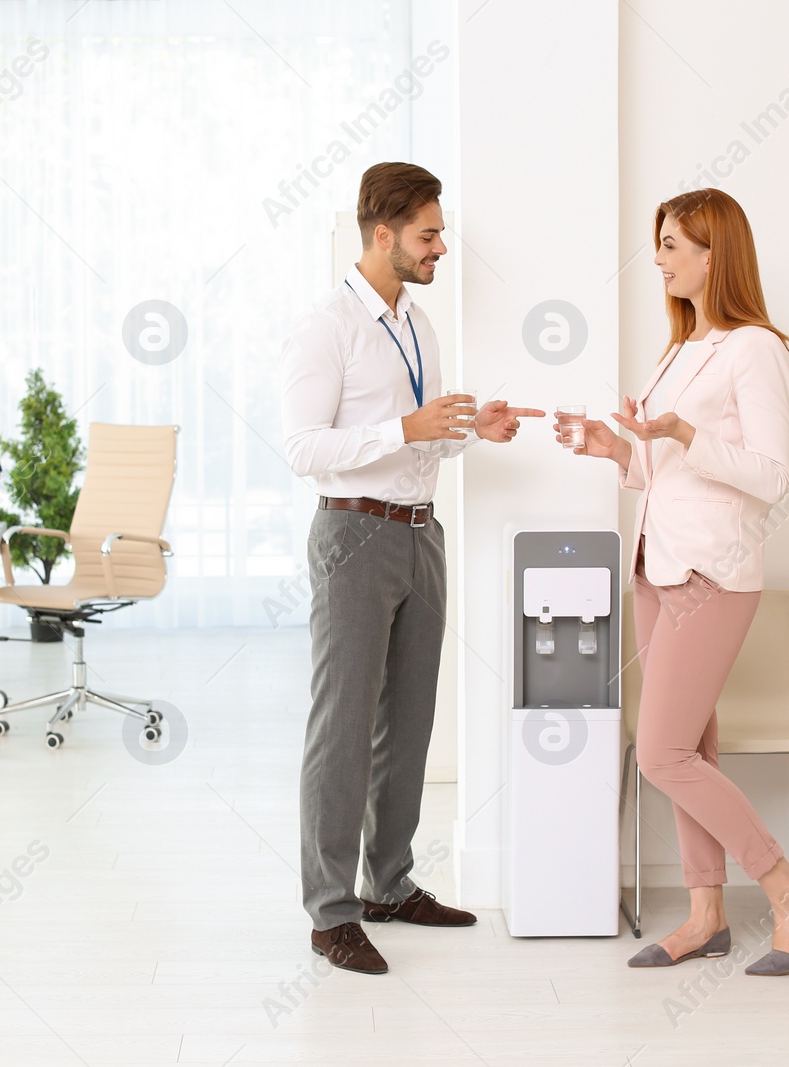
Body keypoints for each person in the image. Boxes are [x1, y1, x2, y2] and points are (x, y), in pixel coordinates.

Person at [563, 187, 789, 977]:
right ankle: (707, 914)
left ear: (716, 253)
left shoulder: (757, 347)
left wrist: (682, 430)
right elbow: (665, 470)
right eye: (660, 243)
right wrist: (615, 452)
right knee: (695, 746)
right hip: (657, 564)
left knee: (662, 752)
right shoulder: (680, 348)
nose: (659, 258)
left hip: (713, 574)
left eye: (674, 244)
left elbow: (774, 475)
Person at [281, 161, 544, 975]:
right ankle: (331, 912)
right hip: (354, 537)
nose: (440, 247)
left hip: (420, 534)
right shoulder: (328, 326)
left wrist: (472, 431)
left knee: (411, 721)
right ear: (384, 232)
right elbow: (303, 448)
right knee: (344, 725)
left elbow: (421, 435)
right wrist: (406, 426)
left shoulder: (417, 323)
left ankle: (388, 883)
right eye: (429, 234)